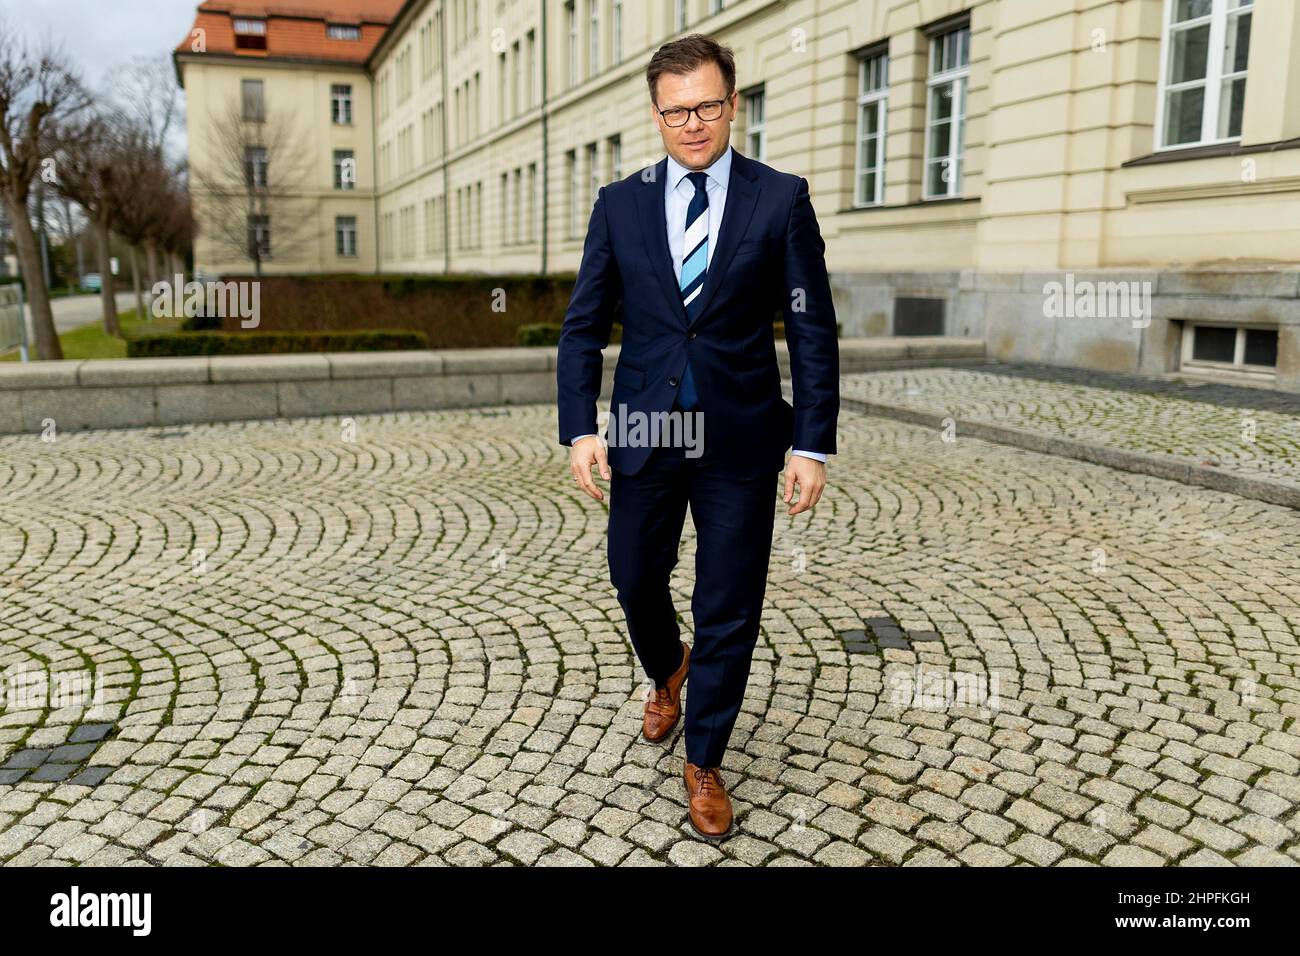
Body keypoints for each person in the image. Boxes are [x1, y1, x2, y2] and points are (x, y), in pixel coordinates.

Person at [556, 33, 839, 840]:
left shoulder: (779, 198)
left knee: (730, 603)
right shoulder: (620, 203)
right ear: (655, 114)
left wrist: (811, 444)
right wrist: (581, 427)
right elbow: (583, 328)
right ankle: (666, 669)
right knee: (633, 574)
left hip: (741, 432)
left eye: (706, 105)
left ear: (732, 104)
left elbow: (812, 329)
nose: (692, 123)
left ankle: (705, 756)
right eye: (675, 110)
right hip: (646, 424)